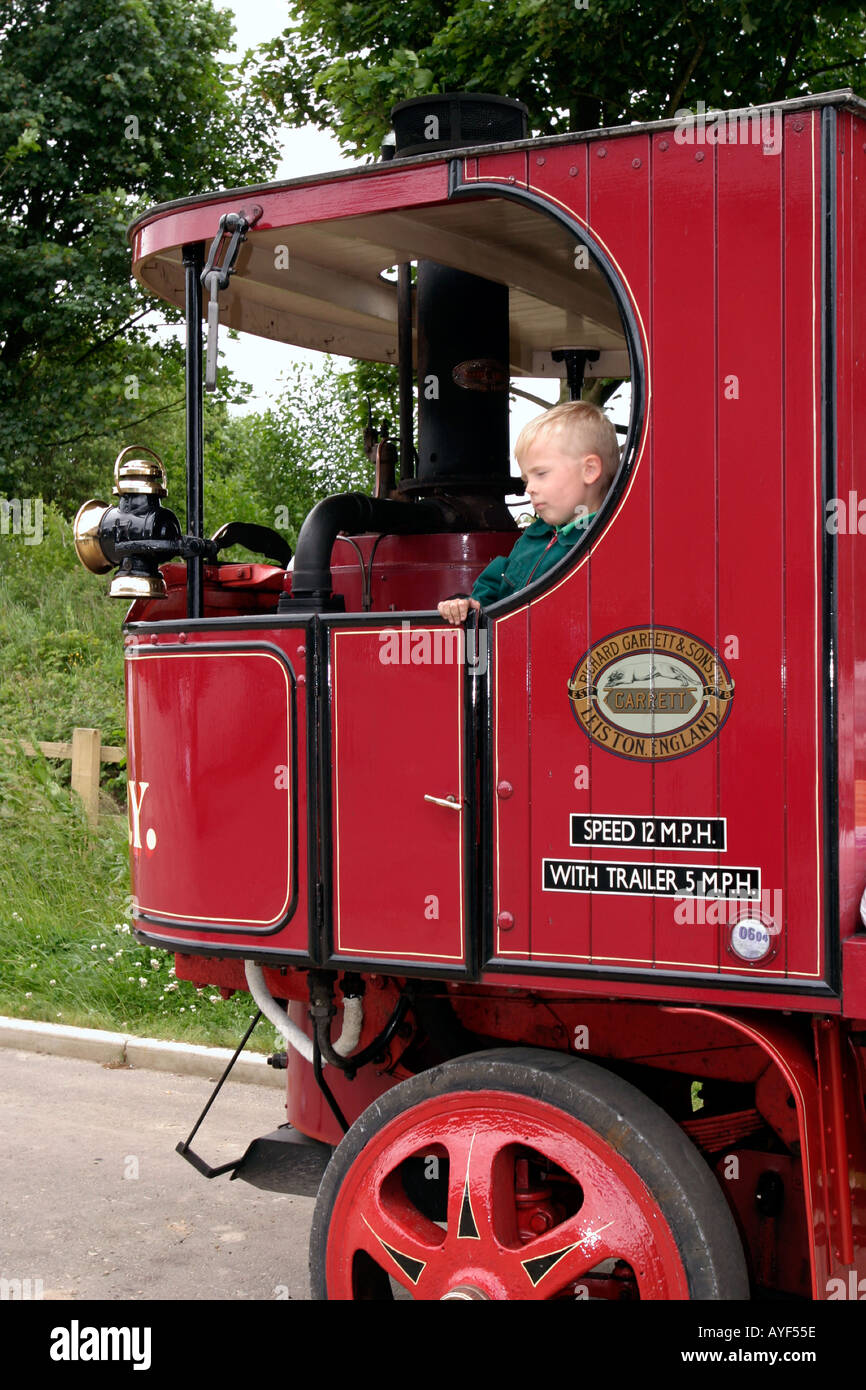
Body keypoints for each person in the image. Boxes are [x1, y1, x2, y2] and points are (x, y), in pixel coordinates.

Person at [437, 400, 620, 624]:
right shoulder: (533, 537)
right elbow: (492, 590)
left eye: (541, 474)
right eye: (526, 479)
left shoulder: (605, 545)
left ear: (589, 470)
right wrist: (468, 605)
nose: (529, 488)